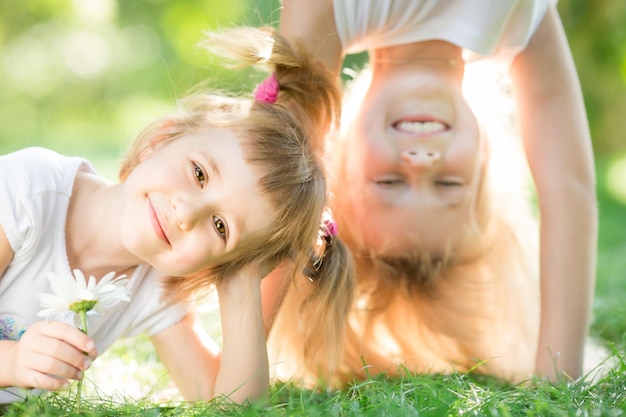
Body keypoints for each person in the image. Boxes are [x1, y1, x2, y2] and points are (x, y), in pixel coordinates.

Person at [0, 26, 353, 404]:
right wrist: (13, 360)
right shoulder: (29, 192)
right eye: (199, 173)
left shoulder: (155, 286)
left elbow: (229, 406)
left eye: (221, 227)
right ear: (161, 140)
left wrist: (241, 283)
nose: (186, 213)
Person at [267, 0, 597, 386]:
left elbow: (280, 186)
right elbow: (570, 188)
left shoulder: (330, 11)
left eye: (389, 182)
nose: (420, 162)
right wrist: (559, 377)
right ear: (483, 156)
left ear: (336, 157)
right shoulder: (518, 20)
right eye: (448, 185)